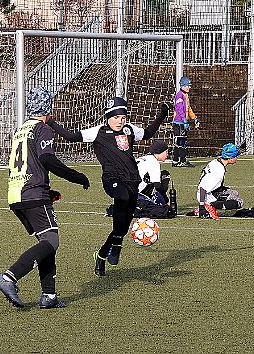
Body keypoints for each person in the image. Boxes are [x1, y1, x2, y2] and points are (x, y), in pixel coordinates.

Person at [47, 97, 170, 276]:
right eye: (116, 117)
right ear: (108, 117)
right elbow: (70, 136)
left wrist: (162, 115)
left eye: (123, 117)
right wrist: (50, 121)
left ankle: (102, 254)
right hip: (112, 179)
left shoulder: (129, 130)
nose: (120, 121)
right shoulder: (98, 132)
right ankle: (117, 245)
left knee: (123, 225)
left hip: (132, 180)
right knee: (121, 197)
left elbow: (148, 133)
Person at [0, 86, 90, 309]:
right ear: (48, 107)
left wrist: (47, 189)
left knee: (46, 242)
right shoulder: (42, 128)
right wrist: (76, 177)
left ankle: (49, 295)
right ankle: (8, 277)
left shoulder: (21, 129)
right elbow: (47, 160)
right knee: (51, 241)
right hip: (32, 192)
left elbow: (27, 163)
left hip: (17, 193)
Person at [105, 139, 175, 219]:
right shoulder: (154, 162)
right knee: (159, 208)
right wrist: (167, 201)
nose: (167, 154)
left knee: (163, 174)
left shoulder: (143, 158)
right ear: (160, 152)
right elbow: (157, 186)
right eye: (166, 152)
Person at [196, 142, 243, 219]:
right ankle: (209, 206)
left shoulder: (216, 161)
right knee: (239, 202)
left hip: (208, 192)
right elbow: (202, 188)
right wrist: (201, 207)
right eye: (236, 156)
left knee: (234, 193)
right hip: (207, 196)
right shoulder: (219, 172)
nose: (236, 158)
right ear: (230, 158)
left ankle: (207, 206)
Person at [172, 76, 200, 167]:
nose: (189, 87)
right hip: (179, 123)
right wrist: (184, 120)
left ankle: (175, 161)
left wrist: (194, 117)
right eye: (188, 85)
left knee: (179, 141)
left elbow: (188, 109)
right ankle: (182, 161)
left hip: (182, 122)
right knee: (182, 141)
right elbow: (179, 109)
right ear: (183, 86)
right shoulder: (179, 96)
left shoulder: (186, 95)